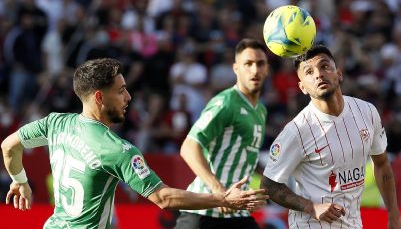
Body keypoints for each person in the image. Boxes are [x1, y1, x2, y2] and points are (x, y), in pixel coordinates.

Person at [1, 58, 268, 229]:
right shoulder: (117, 149)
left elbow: (8, 145)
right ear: (98, 97)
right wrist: (223, 198)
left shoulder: (55, 123)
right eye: (121, 91)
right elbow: (164, 198)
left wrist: (19, 179)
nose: (128, 97)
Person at [260, 45, 401, 228]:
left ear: (339, 73)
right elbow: (269, 185)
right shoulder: (297, 130)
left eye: (324, 66)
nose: (319, 74)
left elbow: (382, 164)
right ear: (302, 87)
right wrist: (311, 207)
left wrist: (394, 215)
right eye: (309, 72)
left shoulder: (367, 111)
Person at [175, 38, 269, 229]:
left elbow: (246, 156)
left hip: (237, 210)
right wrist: (220, 191)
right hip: (204, 212)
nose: (255, 70)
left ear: (267, 68)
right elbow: (189, 147)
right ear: (236, 68)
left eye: (260, 64)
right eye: (248, 64)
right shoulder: (226, 102)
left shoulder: (261, 110)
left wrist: (263, 189)